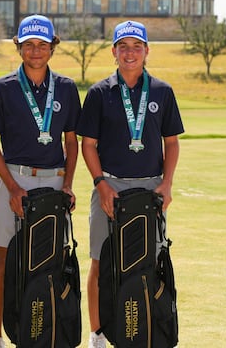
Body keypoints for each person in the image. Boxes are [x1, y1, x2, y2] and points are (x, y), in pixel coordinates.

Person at [77, 20, 183, 348]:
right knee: (100, 260)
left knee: (149, 262)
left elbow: (172, 143)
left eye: (137, 47)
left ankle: (144, 329)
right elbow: (88, 145)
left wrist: (166, 184)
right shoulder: (98, 93)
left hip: (150, 190)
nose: (130, 53)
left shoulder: (162, 91)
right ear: (114, 52)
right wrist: (100, 184)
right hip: (110, 186)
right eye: (123, 47)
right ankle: (97, 334)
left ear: (147, 51)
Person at [0, 14, 81, 348]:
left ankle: (44, 331)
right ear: (18, 47)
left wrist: (67, 184)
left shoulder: (66, 87)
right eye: (29, 45)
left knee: (51, 261)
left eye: (42, 45)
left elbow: (71, 141)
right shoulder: (3, 88)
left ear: (53, 47)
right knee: (4, 258)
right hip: (15, 179)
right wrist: (12, 187)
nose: (35, 51)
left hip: (53, 183)